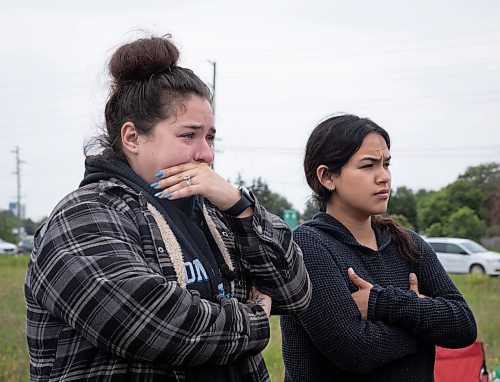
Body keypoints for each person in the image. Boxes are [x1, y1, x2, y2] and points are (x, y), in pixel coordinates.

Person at [25, 34, 311, 382]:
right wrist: (254, 318)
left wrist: (241, 207)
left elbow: (295, 292)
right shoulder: (84, 216)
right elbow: (151, 326)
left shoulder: (215, 213)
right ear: (132, 138)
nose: (205, 154)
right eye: (189, 135)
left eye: (210, 137)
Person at [280, 114, 477, 381]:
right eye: (368, 165)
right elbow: (355, 351)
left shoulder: (407, 244)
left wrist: (381, 302)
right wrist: (425, 326)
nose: (383, 177)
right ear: (327, 177)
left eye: (386, 164)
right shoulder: (309, 246)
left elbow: (464, 325)